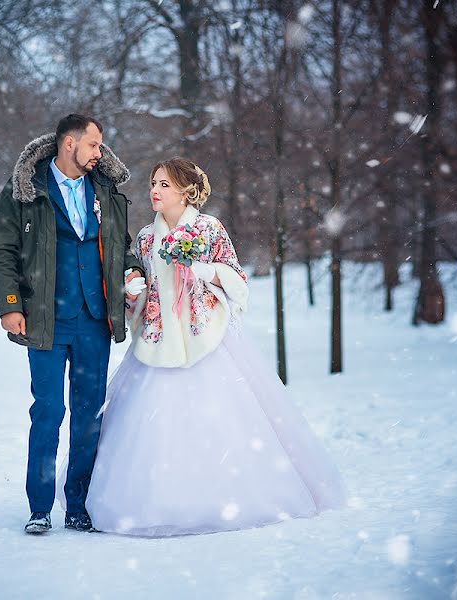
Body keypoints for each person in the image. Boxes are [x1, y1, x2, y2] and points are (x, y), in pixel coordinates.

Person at [75, 157, 347, 536]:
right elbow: (137, 288)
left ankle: (226, 498)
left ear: (186, 191)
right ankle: (154, 502)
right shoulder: (144, 238)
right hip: (157, 343)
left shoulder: (209, 229)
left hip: (208, 337)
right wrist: (132, 291)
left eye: (164, 184)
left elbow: (237, 279)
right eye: (153, 183)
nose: (155, 190)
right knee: (150, 430)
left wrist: (205, 270)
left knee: (222, 420)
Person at [0, 114, 144, 534]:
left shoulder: (107, 191)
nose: (100, 153)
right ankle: (40, 508)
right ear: (69, 144)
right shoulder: (24, 190)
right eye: (94, 145)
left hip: (95, 319)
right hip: (45, 319)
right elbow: (1, 251)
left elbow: (120, 246)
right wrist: (10, 303)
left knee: (89, 414)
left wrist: (130, 272)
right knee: (49, 411)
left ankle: (79, 505)